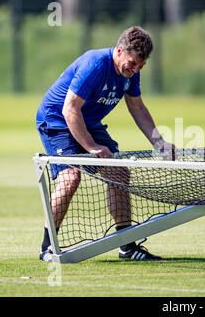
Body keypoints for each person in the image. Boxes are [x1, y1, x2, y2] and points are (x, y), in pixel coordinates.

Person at [36, 26, 175, 262]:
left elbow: (138, 108)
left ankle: (127, 246)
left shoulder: (131, 73)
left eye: (140, 66)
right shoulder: (96, 65)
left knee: (119, 172)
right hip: (57, 120)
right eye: (132, 63)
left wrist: (159, 142)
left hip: (87, 121)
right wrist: (90, 146)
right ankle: (48, 248)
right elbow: (70, 109)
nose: (135, 69)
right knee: (71, 178)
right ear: (119, 51)